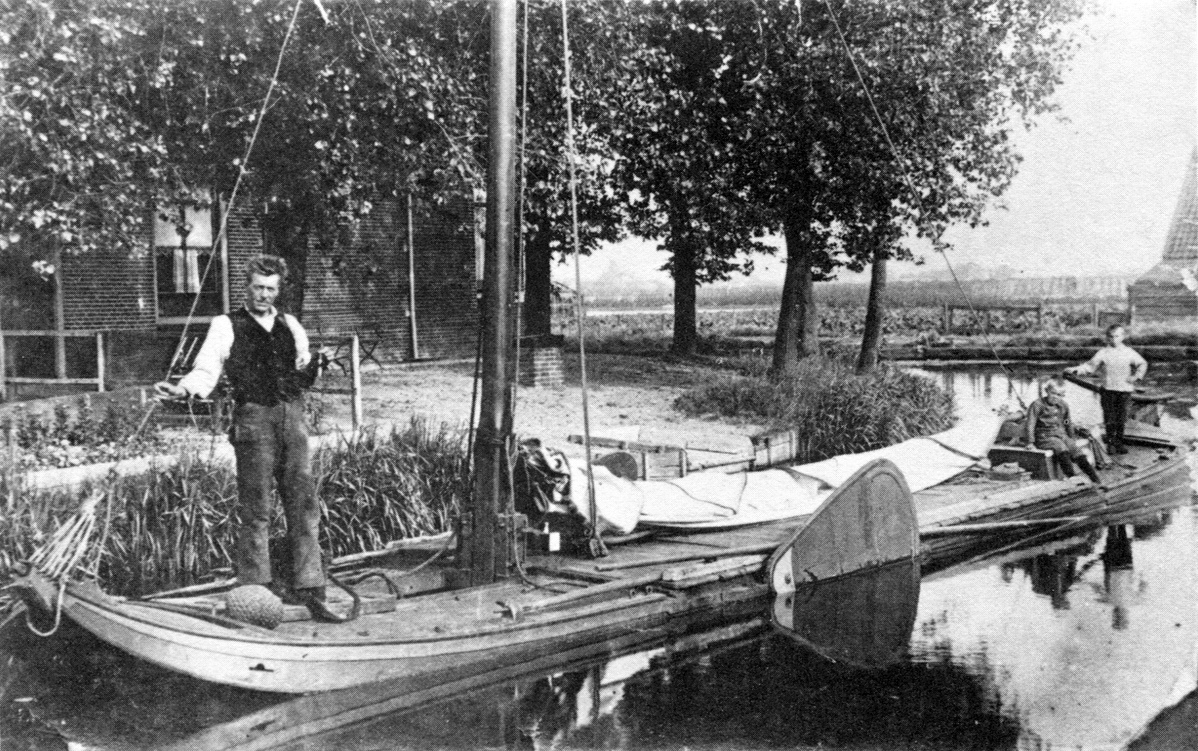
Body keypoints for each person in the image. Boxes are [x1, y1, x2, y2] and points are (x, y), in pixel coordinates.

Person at [155, 254, 343, 623]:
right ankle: (257, 588)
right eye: (258, 287)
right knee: (256, 507)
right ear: (247, 287)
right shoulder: (226, 325)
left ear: (278, 290)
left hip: (293, 419)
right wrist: (183, 389)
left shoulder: (290, 324)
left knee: (303, 502)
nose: (263, 295)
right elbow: (207, 368)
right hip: (254, 419)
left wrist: (314, 366)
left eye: (270, 289)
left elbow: (303, 368)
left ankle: (309, 585)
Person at [1065, 323, 1146, 455]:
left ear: (1122, 337)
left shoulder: (1129, 352)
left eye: (1117, 336)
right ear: (1107, 338)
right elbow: (1090, 367)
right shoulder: (1103, 352)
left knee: (1121, 419)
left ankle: (1119, 443)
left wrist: (1136, 376)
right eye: (1111, 337)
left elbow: (1142, 363)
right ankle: (1110, 445)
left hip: (1124, 391)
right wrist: (1075, 369)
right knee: (1109, 419)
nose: (1114, 339)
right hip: (1108, 391)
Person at [1025, 378, 1101, 484]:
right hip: (1044, 437)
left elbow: (1067, 422)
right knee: (1061, 447)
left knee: (1075, 449)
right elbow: (1031, 424)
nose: (1056, 397)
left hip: (1061, 435)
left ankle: (1094, 477)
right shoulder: (1037, 405)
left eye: (1060, 395)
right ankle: (1071, 476)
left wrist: (1072, 438)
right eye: (1053, 393)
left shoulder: (1063, 405)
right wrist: (1030, 442)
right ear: (1047, 391)